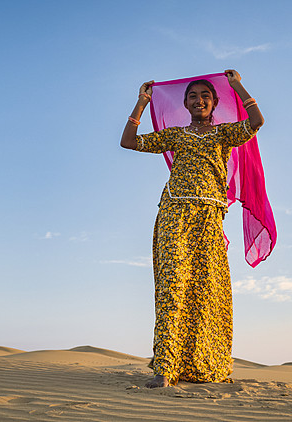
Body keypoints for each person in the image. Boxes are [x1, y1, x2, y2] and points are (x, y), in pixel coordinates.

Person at [120, 70, 264, 388]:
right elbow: (128, 142)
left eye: (205, 96)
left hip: (210, 216)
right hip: (175, 213)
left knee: (205, 290)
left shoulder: (225, 133)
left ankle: (202, 365)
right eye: (193, 96)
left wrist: (237, 84)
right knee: (173, 286)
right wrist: (142, 102)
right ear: (185, 104)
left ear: (214, 103)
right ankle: (165, 368)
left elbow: (256, 121)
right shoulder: (175, 135)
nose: (199, 100)